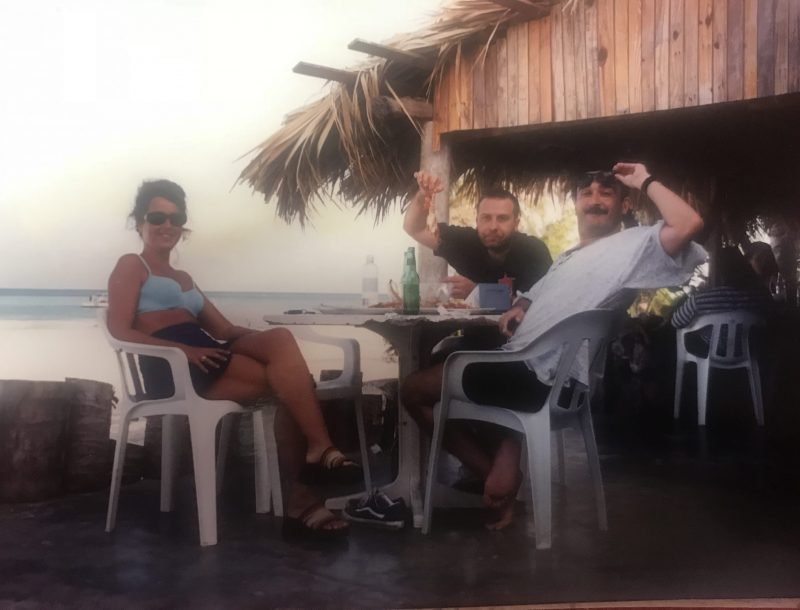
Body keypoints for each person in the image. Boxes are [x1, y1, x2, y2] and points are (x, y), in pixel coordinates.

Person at [401, 163, 707, 530]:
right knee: (451, 358)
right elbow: (540, 292)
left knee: (413, 389)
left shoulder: (637, 244)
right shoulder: (570, 255)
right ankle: (504, 455)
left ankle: (494, 473)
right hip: (537, 372)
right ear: (575, 204)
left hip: (533, 377)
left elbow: (687, 223)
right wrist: (522, 305)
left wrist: (645, 180)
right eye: (587, 193)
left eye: (606, 193)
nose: (594, 201)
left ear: (626, 205)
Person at [107, 179, 361, 541]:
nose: (167, 225)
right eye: (157, 216)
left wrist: (268, 341)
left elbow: (224, 329)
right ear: (140, 222)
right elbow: (118, 330)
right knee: (291, 385)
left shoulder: (184, 278)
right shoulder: (133, 265)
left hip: (209, 354)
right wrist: (184, 351)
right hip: (171, 366)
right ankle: (307, 490)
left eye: (175, 218)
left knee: (284, 354)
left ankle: (316, 462)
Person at [404, 171, 552, 299]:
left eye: (502, 218)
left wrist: (477, 292)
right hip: (469, 330)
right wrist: (422, 196)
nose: (493, 226)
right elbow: (414, 229)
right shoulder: (465, 242)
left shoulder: (534, 251)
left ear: (516, 223)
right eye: (486, 218)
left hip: (520, 331)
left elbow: (540, 303)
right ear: (477, 221)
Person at [671, 246, 772, 356]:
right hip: (751, 351)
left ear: (717, 271)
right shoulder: (759, 297)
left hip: (711, 352)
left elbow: (676, 322)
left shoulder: (701, 300)